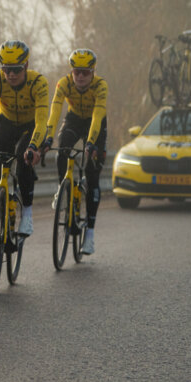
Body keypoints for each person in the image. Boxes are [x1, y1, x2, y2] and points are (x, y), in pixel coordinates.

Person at [0, 40, 49, 261]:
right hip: (5, 123)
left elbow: (42, 120)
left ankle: (26, 211)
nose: (11, 74)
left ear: (25, 66)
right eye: (6, 69)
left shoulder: (38, 82)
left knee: (23, 156)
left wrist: (34, 146)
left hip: (30, 127)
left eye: (16, 69)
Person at [42, 48, 108, 255]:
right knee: (62, 150)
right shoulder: (64, 84)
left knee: (92, 175)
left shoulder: (100, 86)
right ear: (71, 72)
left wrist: (90, 143)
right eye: (76, 72)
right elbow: (54, 112)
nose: (80, 76)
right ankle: (63, 189)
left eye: (85, 72)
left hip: (95, 123)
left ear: (93, 72)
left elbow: (98, 116)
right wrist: (48, 136)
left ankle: (89, 234)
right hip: (72, 120)